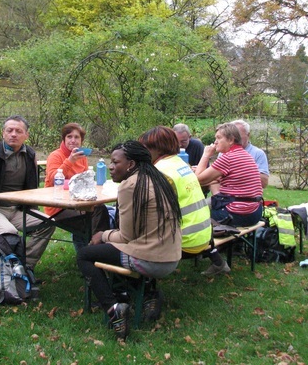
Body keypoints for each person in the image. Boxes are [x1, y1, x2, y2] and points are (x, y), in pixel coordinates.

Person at [76, 141, 182, 340]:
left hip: (152, 260)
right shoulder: (157, 179)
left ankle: (113, 309)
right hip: (172, 256)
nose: (110, 166)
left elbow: (126, 237)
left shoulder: (130, 185)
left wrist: (102, 235)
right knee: (115, 248)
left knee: (84, 255)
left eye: (116, 162)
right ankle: (149, 293)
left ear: (131, 165)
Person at [0, 115, 54, 282]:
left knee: (48, 223)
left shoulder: (29, 155)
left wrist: (34, 211)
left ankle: (24, 266)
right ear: (3, 133)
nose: (13, 134)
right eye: (9, 130)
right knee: (10, 234)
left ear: (26, 135)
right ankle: (5, 270)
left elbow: (31, 187)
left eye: (18, 131)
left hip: (18, 210)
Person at [139, 126, 230, 276]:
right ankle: (218, 262)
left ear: (156, 148)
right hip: (205, 236)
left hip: (185, 242)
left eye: (146, 148)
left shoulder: (159, 171)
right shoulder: (181, 164)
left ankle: (143, 288)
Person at [44, 122, 110, 248]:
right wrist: (70, 161)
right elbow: (54, 180)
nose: (73, 140)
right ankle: (90, 251)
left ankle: (98, 248)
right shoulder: (55, 155)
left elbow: (85, 182)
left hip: (80, 202)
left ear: (81, 140)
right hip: (58, 206)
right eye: (69, 137)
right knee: (91, 218)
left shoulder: (82, 157)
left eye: (77, 137)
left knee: (101, 209)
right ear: (64, 139)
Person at [194, 122, 263, 227]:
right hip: (255, 212)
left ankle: (204, 242)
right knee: (206, 204)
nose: (215, 142)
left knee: (194, 212)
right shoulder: (244, 154)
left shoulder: (228, 158)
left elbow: (198, 180)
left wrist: (206, 155)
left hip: (238, 213)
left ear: (231, 140)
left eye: (218, 138)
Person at [232, 119, 270, 188]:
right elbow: (214, 179)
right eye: (232, 135)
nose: (235, 138)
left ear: (248, 135)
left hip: (249, 197)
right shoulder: (223, 153)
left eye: (238, 135)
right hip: (226, 196)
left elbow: (264, 183)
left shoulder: (258, 153)